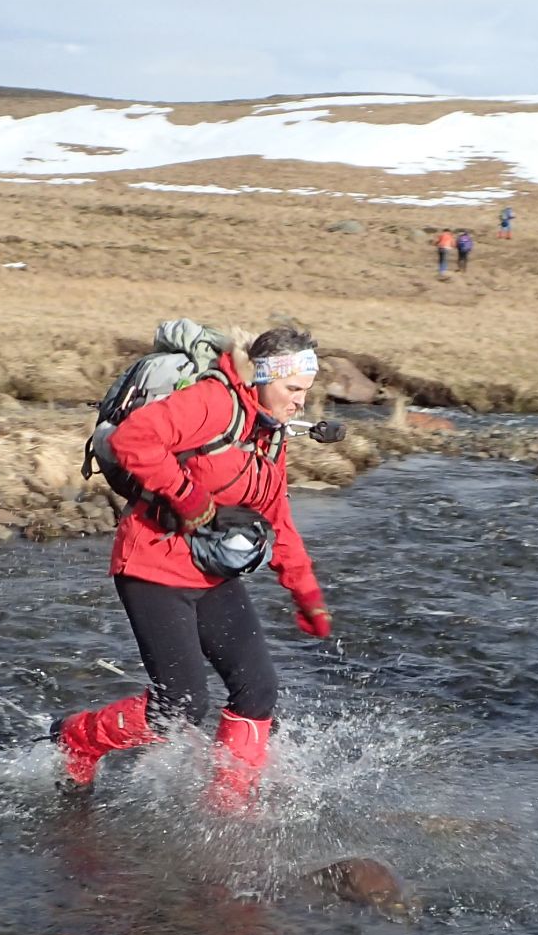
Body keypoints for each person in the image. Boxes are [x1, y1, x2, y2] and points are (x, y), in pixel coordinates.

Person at [53, 326, 332, 811]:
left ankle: (228, 810)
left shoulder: (268, 433)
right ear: (263, 377)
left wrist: (305, 593)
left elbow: (277, 516)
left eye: (305, 391)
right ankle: (76, 739)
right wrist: (187, 496)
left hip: (210, 571)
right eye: (293, 389)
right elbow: (133, 440)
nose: (300, 402)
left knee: (257, 690)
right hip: (152, 564)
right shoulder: (213, 402)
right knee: (179, 705)